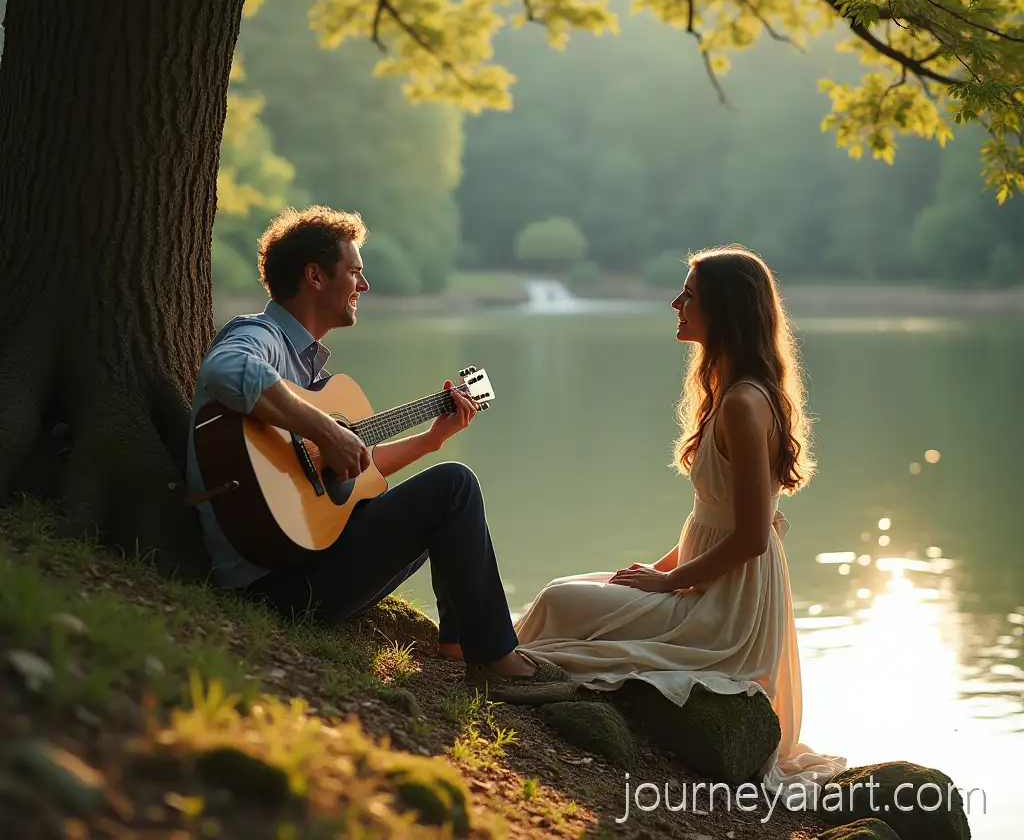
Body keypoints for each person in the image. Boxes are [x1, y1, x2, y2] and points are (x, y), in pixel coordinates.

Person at [186, 205, 574, 703]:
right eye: (355, 272)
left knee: (442, 482)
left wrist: (429, 441)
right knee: (454, 486)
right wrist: (327, 430)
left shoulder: (306, 368)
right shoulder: (262, 337)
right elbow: (226, 368)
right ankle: (497, 659)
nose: (363, 286)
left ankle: (461, 640)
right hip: (274, 586)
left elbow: (344, 482)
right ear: (314, 277)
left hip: (301, 563)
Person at [515, 244, 846, 794]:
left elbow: (750, 537)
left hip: (729, 610)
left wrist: (669, 582)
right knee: (572, 591)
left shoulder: (744, 403)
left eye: (688, 296)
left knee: (557, 597)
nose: (675, 304)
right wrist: (661, 567)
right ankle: (507, 661)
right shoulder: (727, 394)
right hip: (704, 583)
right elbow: (708, 519)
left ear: (725, 311)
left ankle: (503, 667)